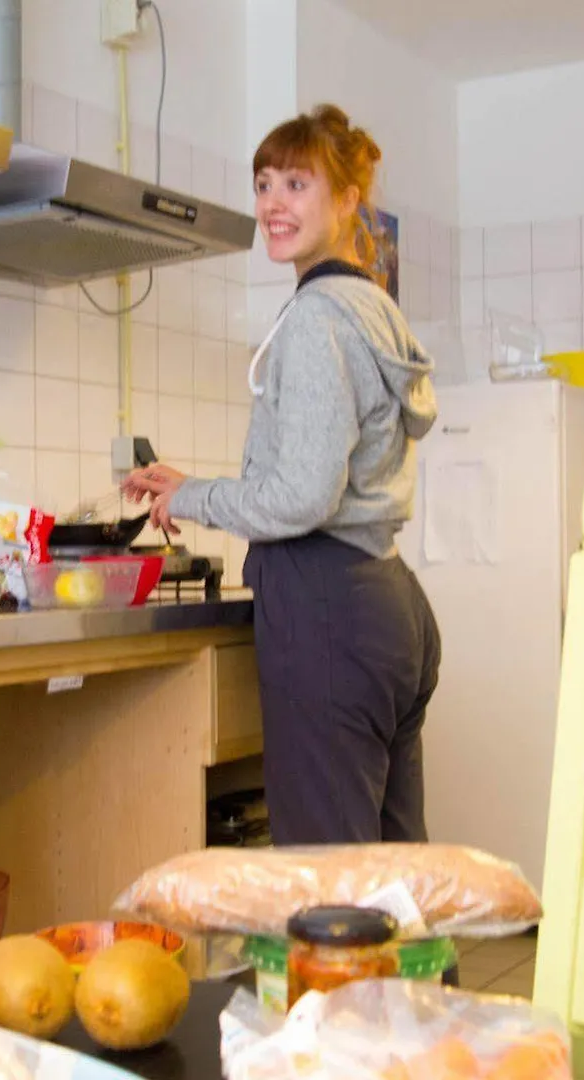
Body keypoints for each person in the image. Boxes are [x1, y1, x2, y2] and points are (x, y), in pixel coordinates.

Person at [122, 104, 441, 849]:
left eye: (298, 184)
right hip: (389, 605)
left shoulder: (315, 321)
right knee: (394, 870)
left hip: (330, 605)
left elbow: (303, 496)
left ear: (347, 201)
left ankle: (342, 975)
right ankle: (412, 976)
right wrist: (191, 481)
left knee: (329, 877)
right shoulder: (373, 310)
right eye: (265, 183)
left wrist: (193, 497)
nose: (273, 203)